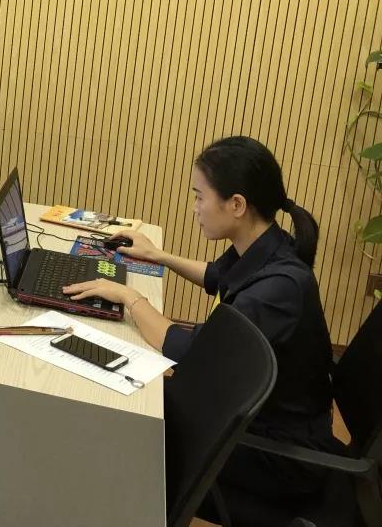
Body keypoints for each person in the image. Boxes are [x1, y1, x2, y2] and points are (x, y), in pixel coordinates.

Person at [63, 136, 340, 523]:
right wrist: (157, 256)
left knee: (132, 427)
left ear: (236, 205)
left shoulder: (278, 290)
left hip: (280, 455)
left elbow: (188, 350)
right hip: (253, 416)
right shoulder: (269, 246)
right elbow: (216, 276)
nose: (194, 207)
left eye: (199, 197)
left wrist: (128, 296)